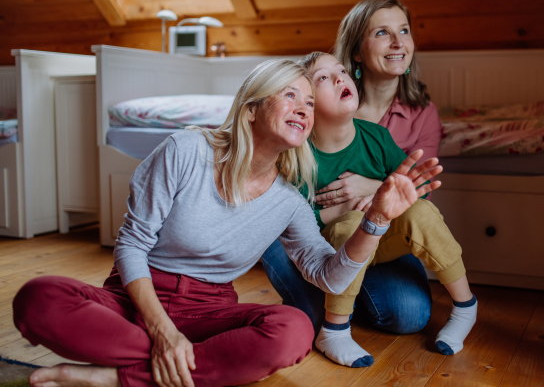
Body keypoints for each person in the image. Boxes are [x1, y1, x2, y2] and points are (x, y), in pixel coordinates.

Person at [12, 59, 433, 387]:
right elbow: (131, 246)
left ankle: (117, 377)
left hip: (208, 310)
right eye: (290, 96)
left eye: (309, 103)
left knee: (294, 330)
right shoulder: (185, 150)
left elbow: (332, 278)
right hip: (136, 297)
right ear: (251, 109)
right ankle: (198, 363)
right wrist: (162, 332)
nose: (304, 110)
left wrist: (375, 219)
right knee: (38, 297)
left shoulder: (289, 199)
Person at [302, 52, 478, 369]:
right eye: (324, 78)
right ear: (307, 102)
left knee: (421, 213)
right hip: (336, 250)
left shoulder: (377, 137)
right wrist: (349, 208)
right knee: (351, 222)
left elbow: (412, 196)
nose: (340, 77)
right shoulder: (301, 154)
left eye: (341, 70)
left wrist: (381, 197)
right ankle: (334, 330)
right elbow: (297, 223)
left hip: (385, 239)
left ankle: (465, 307)